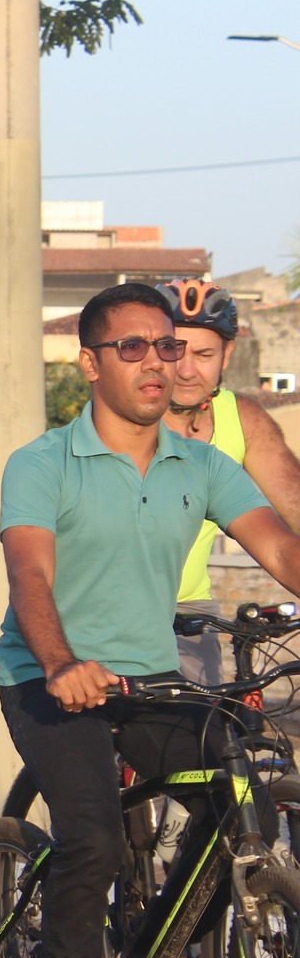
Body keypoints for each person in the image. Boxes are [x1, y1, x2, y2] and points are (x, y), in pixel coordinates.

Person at [0, 283, 300, 958]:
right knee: (92, 834)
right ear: (91, 364)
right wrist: (60, 660)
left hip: (149, 680)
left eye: (168, 345)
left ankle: (146, 946)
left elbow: (279, 543)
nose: (158, 362)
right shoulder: (42, 463)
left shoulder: (202, 463)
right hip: (44, 679)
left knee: (237, 791)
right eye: (133, 347)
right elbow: (30, 573)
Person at [156, 278, 300, 682]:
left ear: (227, 354)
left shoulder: (243, 420)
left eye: (204, 354)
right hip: (106, 611)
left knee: (209, 736)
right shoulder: (124, 418)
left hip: (190, 611)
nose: (186, 370)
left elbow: (294, 508)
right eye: (174, 351)